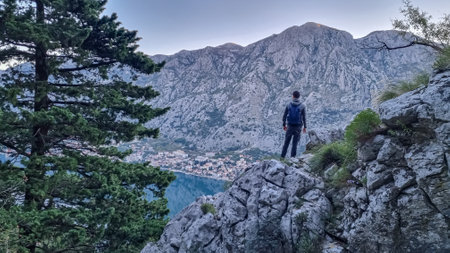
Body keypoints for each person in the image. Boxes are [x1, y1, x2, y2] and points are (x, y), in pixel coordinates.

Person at [281, 90, 307, 158]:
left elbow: (284, 115)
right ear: (299, 97)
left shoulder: (288, 105)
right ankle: (292, 158)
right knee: (294, 143)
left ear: (293, 96)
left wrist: (284, 125)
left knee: (286, 143)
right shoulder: (302, 106)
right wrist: (305, 127)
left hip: (289, 126)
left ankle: (282, 157)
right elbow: (304, 117)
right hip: (298, 127)